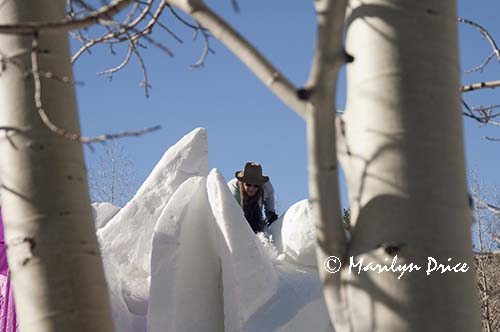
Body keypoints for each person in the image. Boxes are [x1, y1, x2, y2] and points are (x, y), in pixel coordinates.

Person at [228, 162, 278, 233]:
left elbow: (271, 212)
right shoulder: (232, 190)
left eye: (255, 186)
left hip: (255, 207)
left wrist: (271, 218)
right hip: (236, 212)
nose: (251, 189)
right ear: (243, 182)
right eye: (248, 184)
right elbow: (231, 217)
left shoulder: (267, 188)